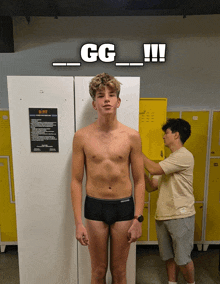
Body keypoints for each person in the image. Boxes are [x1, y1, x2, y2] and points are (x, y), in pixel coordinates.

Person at [71, 73, 145, 284]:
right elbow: (76, 181)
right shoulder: (82, 137)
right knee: (98, 271)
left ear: (118, 101)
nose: (106, 99)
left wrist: (138, 219)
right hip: (95, 206)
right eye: (100, 95)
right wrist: (78, 223)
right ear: (94, 104)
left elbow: (139, 180)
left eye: (111, 95)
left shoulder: (131, 136)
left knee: (120, 271)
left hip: (124, 207)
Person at [143, 118, 196, 284]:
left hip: (181, 216)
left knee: (182, 259)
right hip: (163, 216)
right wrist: (138, 171)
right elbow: (151, 186)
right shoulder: (169, 161)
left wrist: (136, 151)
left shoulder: (184, 156)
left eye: (166, 133)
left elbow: (153, 168)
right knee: (168, 257)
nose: (163, 136)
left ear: (176, 135)